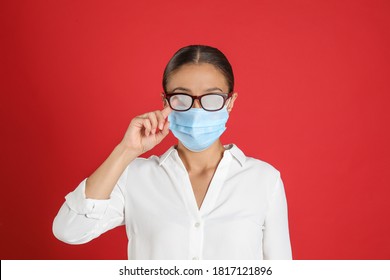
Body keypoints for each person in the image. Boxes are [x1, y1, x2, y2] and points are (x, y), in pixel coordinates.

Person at [52, 45, 292, 260]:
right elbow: (69, 230)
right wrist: (126, 150)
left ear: (230, 102)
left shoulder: (264, 179)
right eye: (182, 97)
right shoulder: (135, 177)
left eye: (212, 97)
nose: (196, 108)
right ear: (166, 102)